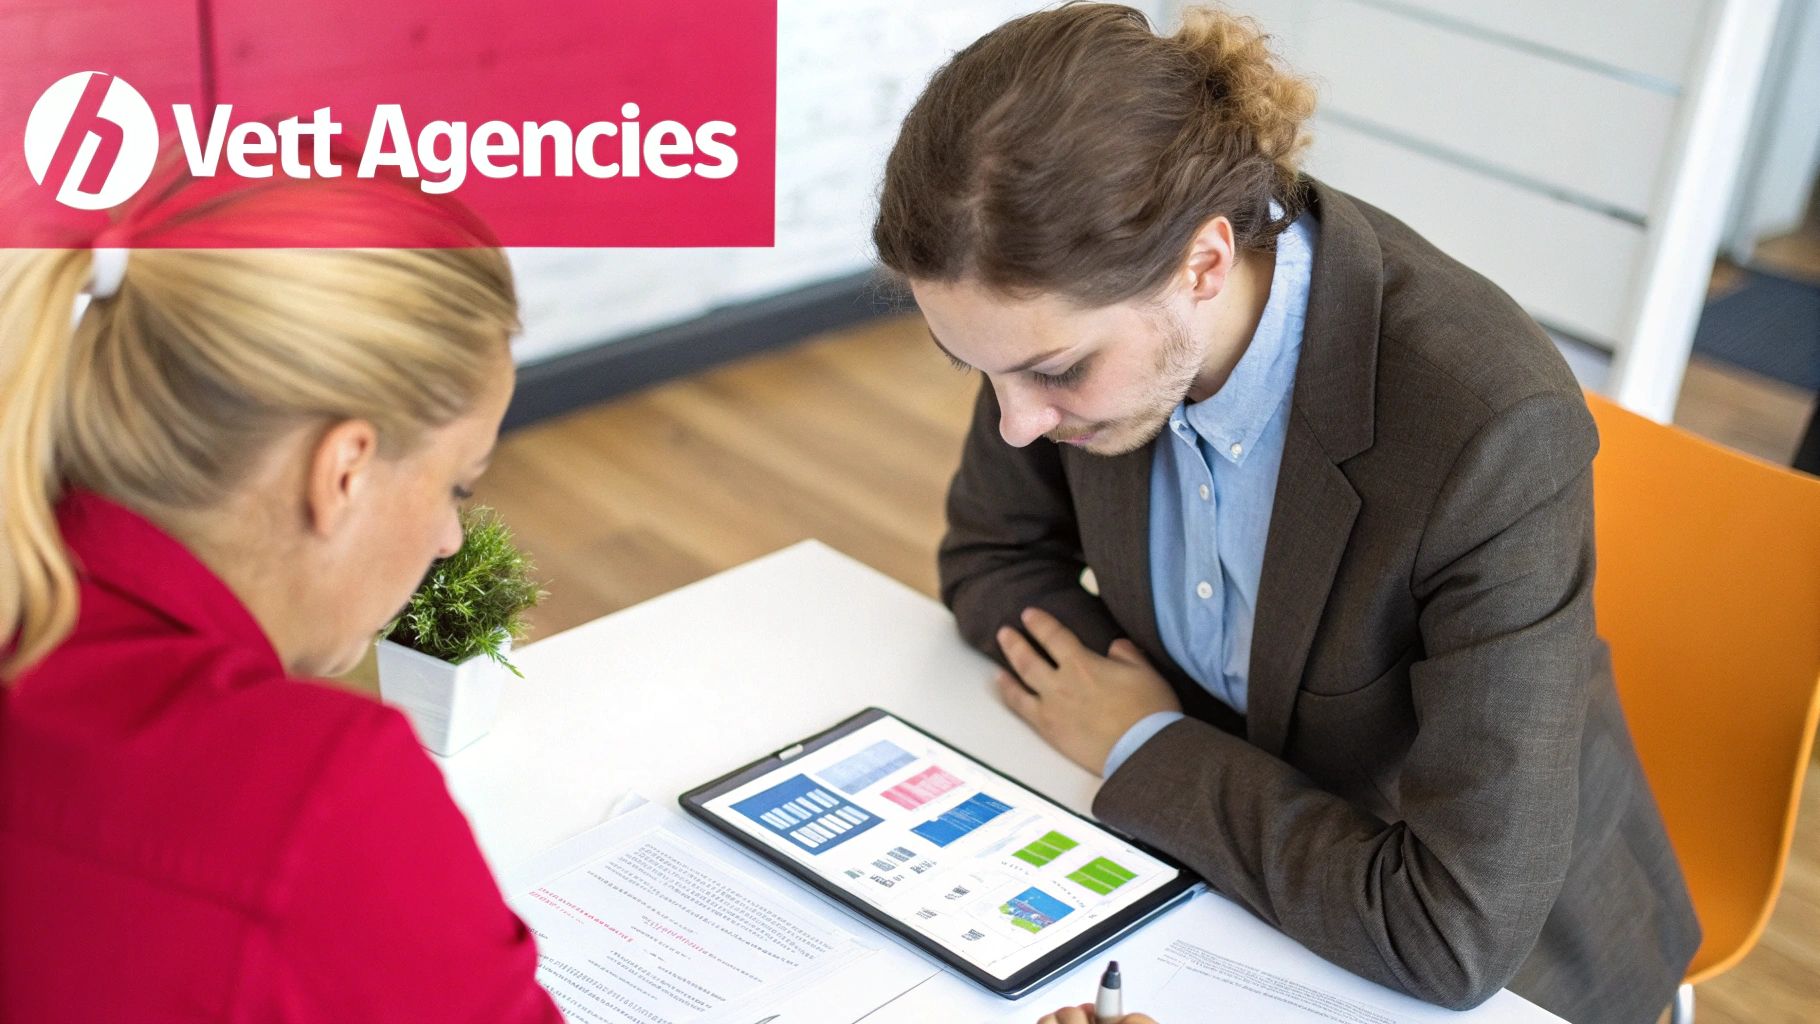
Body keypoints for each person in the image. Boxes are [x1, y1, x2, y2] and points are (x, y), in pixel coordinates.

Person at [872, 5, 1701, 1023]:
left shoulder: (1486, 429)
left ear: (1203, 264)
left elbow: (1450, 933)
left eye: (1052, 371)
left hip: (1502, 971)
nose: (1015, 424)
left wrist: (1148, 746)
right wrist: (1148, 741)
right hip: (1227, 897)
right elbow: (993, 556)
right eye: (979, 369)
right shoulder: (1056, 311)